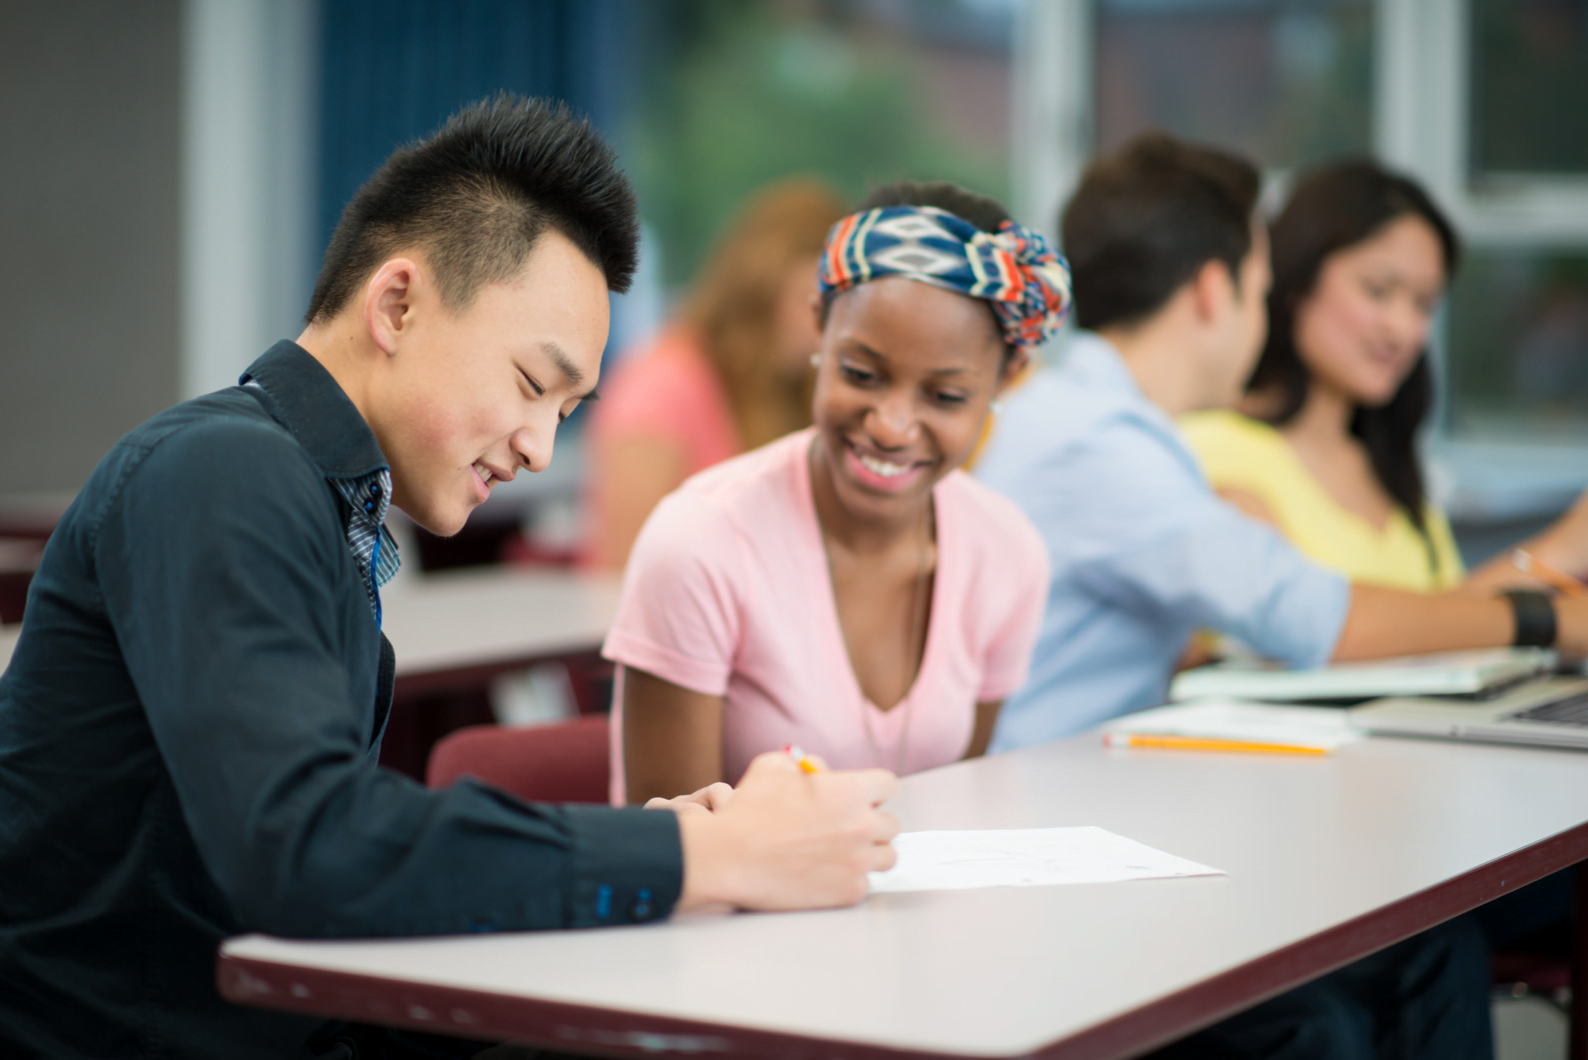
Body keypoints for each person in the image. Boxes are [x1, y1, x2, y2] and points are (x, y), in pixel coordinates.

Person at [0, 96, 900, 1060]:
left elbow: (329, 859)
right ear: (397, 305)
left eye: (567, 407)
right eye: (528, 384)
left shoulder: (315, 496)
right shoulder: (223, 472)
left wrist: (651, 856)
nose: (541, 447)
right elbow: (310, 852)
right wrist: (700, 856)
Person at [977, 133, 1588, 750]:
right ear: (1215, 291)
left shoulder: (1078, 415)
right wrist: (1556, 619)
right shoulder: (1104, 446)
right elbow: (1316, 620)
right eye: (1263, 294)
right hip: (1028, 809)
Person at [605, 181, 1061, 805]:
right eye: (862, 375)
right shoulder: (700, 541)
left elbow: (957, 809)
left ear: (1008, 378)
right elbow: (667, 847)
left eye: (946, 396)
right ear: (818, 329)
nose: (890, 425)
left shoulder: (1007, 552)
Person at [1182, 158, 1588, 594]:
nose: (1404, 329)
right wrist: (1557, 551)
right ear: (1297, 282)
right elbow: (1331, 637)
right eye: (1378, 290)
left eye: (1423, 304)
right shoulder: (1212, 450)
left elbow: (1451, 635)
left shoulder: (1394, 471)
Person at [583, 177, 846, 570]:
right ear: (758, 293)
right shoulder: (661, 386)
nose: (824, 330)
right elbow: (626, 564)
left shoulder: (793, 386)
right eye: (811, 305)